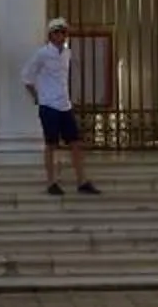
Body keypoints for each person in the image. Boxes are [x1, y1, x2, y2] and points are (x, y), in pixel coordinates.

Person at [23, 17, 101, 195]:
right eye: (57, 32)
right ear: (51, 35)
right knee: (51, 144)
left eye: (64, 32)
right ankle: (51, 182)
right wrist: (37, 96)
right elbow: (26, 76)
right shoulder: (42, 54)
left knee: (75, 143)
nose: (61, 36)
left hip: (65, 104)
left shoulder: (67, 53)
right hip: (49, 105)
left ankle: (82, 181)